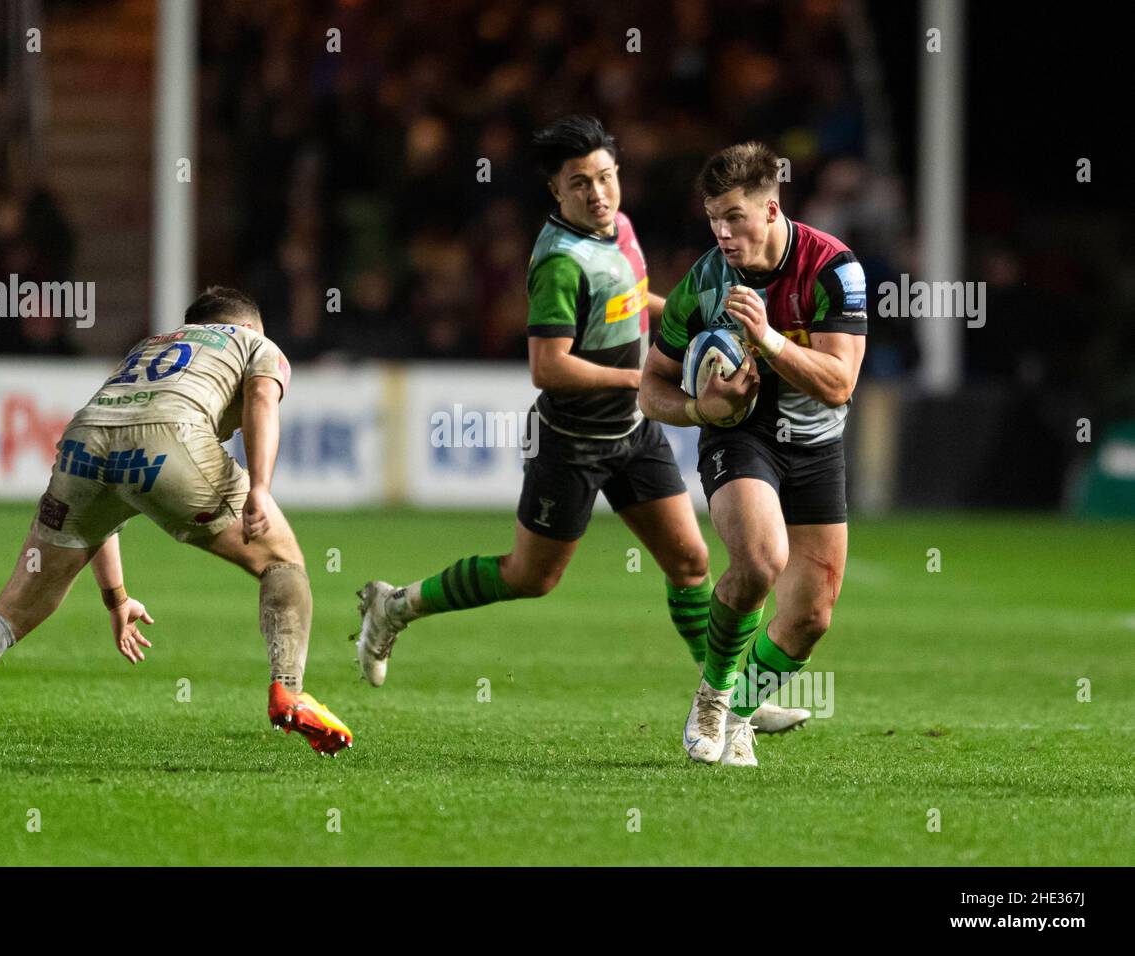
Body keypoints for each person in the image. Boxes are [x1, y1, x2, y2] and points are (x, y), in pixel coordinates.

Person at [353, 116, 808, 737]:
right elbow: (548, 365)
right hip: (572, 440)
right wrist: (645, 383)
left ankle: (723, 698)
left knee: (691, 561)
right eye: (580, 184)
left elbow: (633, 298)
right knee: (530, 576)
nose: (598, 193)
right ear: (556, 192)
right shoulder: (559, 263)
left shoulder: (618, 228)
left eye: (606, 177)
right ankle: (394, 605)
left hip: (632, 433)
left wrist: (691, 315)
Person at [0, 287, 353, 762]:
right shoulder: (254, 343)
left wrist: (116, 600)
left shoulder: (148, 347)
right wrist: (261, 486)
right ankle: (289, 692)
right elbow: (263, 402)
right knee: (282, 561)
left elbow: (108, 491)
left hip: (82, 440)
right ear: (247, 325)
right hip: (174, 437)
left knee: (10, 611)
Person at [639, 142, 868, 767]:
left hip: (818, 442)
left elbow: (840, 381)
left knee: (811, 616)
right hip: (743, 435)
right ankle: (712, 698)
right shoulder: (704, 283)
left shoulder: (832, 268)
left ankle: (740, 715)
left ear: (771, 208)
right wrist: (699, 411)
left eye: (735, 216)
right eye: (714, 217)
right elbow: (651, 387)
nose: (723, 232)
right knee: (762, 560)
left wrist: (766, 339)